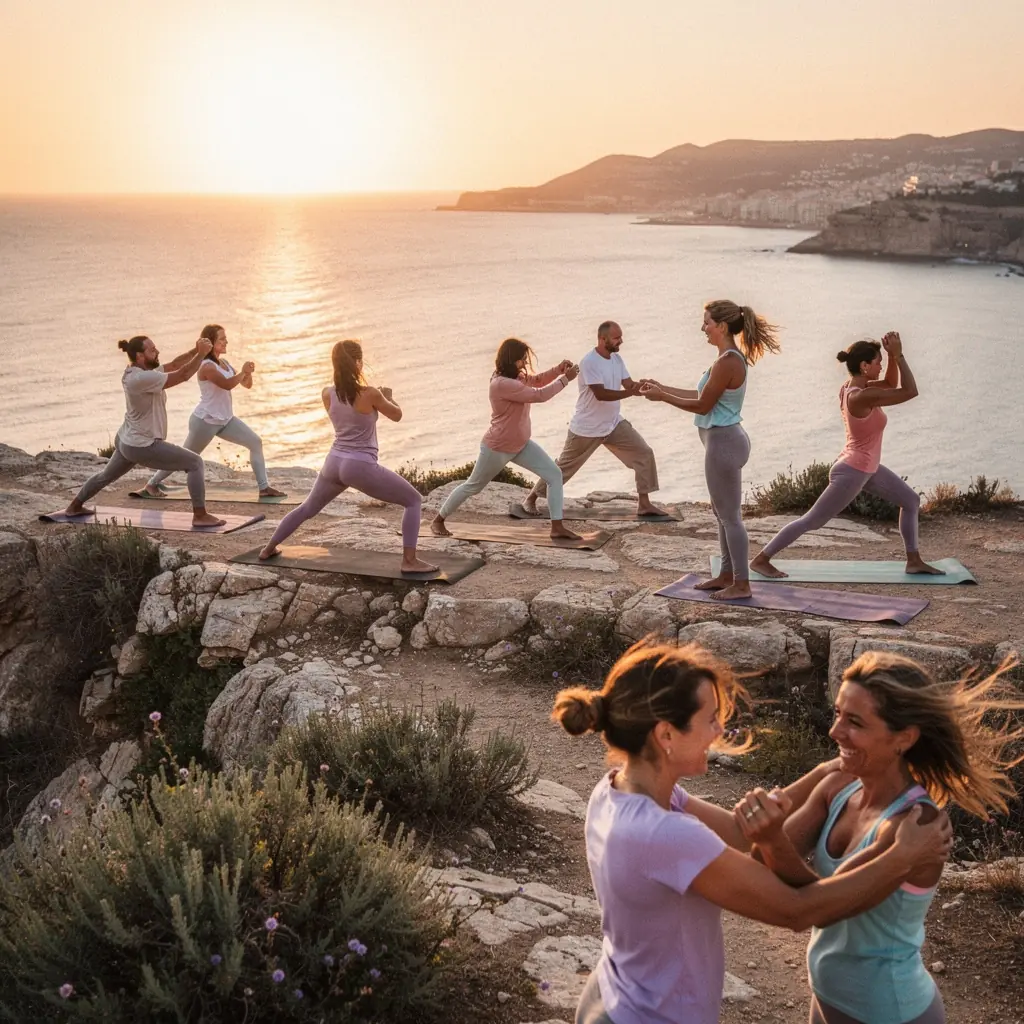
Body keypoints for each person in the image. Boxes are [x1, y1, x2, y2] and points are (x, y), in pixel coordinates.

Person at [552, 639, 953, 1024]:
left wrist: (820, 772)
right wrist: (900, 858)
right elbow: (796, 909)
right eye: (709, 719)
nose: (719, 730)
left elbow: (741, 834)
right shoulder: (668, 835)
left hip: (611, 996)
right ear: (666, 735)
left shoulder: (615, 792)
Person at [735, 650, 1024, 1024]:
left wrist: (772, 838)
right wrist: (768, 836)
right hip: (827, 997)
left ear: (903, 737)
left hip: (888, 1010)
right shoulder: (838, 785)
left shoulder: (914, 824)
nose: (834, 731)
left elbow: (819, 907)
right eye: (838, 713)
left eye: (854, 721)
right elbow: (761, 865)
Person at [750, 332, 943, 578]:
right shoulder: (862, 396)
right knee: (812, 521)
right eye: (877, 361)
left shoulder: (852, 388)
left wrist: (891, 358)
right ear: (864, 366)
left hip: (865, 467)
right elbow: (909, 390)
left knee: (911, 501)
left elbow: (891, 384)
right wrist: (899, 355)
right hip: (854, 470)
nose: (881, 365)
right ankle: (761, 559)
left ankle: (913, 560)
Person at [639, 300, 781, 600]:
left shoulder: (728, 361)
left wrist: (662, 397)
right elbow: (702, 394)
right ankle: (727, 575)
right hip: (722, 441)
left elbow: (703, 405)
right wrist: (662, 387)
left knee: (730, 517)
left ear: (722, 326)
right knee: (721, 513)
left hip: (724, 444)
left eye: (706, 322)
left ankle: (742, 584)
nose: (702, 328)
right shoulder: (724, 359)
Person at [258, 340, 436, 573]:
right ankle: (409, 561)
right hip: (359, 465)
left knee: (307, 509)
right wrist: (388, 397)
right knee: (413, 500)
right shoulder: (371, 394)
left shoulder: (327, 394)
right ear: (359, 363)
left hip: (334, 462)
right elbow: (397, 415)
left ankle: (268, 548)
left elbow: (346, 421)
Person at [64, 336, 225, 528]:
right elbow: (182, 375)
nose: (157, 352)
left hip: (127, 439)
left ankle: (74, 506)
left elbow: (175, 364)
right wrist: (201, 354)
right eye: (152, 350)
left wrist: (194, 351)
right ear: (140, 356)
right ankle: (200, 515)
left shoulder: (140, 372)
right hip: (143, 445)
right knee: (195, 463)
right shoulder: (141, 378)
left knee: (105, 476)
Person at [431, 338, 581, 540]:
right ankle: (438, 520)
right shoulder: (501, 384)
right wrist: (565, 379)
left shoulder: (515, 377)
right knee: (473, 486)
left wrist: (558, 370)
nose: (525, 363)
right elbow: (539, 395)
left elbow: (536, 382)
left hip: (521, 445)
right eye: (522, 359)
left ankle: (557, 527)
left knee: (554, 475)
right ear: (511, 360)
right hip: (498, 447)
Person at [521, 321, 664, 518]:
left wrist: (642, 387)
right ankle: (531, 499)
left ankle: (644, 504)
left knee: (644, 453)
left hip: (612, 424)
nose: (621, 341)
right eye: (616, 338)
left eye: (620, 337)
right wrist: (629, 393)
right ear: (602, 339)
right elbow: (601, 394)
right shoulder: (589, 362)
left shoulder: (617, 359)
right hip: (586, 428)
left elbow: (628, 384)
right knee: (562, 468)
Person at [143, 324, 286, 498]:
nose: (226, 341)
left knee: (255, 442)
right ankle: (151, 484)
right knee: (184, 458)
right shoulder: (206, 367)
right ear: (211, 343)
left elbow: (245, 384)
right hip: (205, 422)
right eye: (222, 339)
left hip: (225, 420)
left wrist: (247, 374)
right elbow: (226, 385)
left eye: (225, 338)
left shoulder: (224, 363)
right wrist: (242, 372)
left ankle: (264, 488)